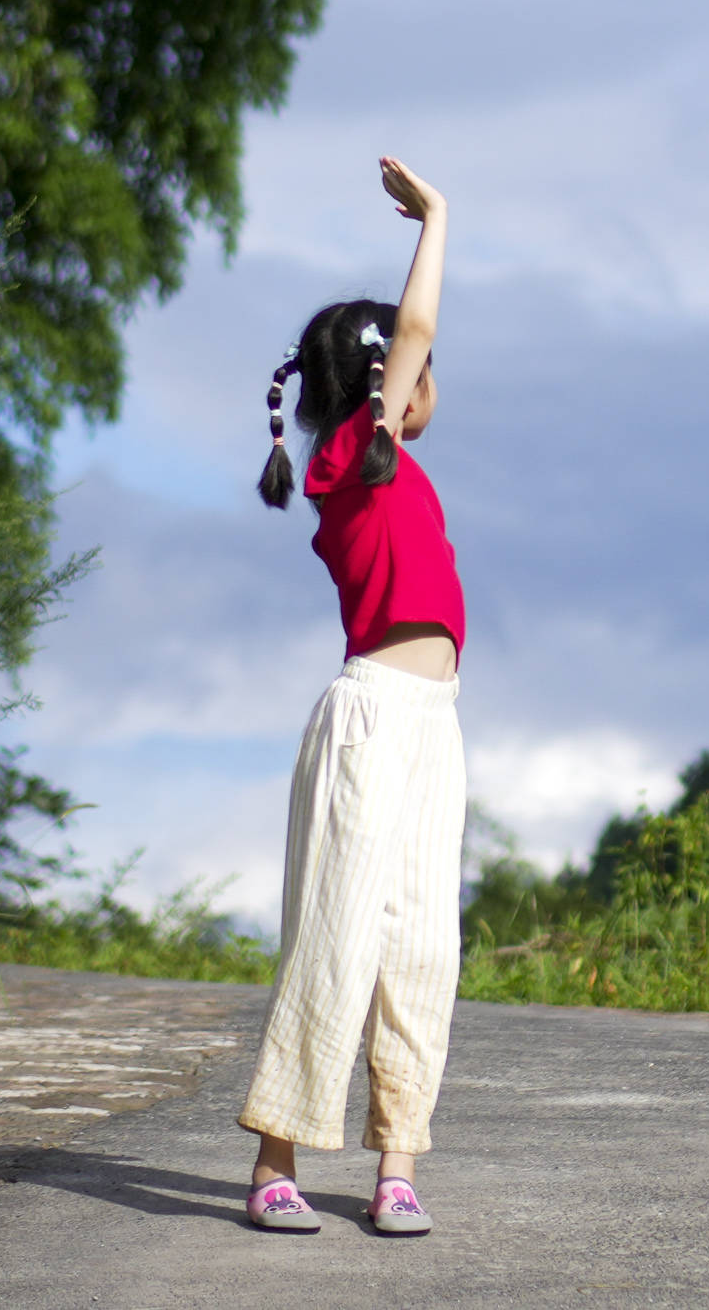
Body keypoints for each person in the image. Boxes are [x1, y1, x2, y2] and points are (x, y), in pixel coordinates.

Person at [235, 154, 469, 1237]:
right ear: (381, 386)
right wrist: (436, 221)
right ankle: (277, 1160)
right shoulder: (348, 459)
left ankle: (398, 1164)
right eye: (416, 371)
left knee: (422, 944)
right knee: (336, 935)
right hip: (370, 717)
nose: (432, 384)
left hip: (433, 729)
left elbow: (412, 349)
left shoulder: (393, 468)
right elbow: (413, 334)